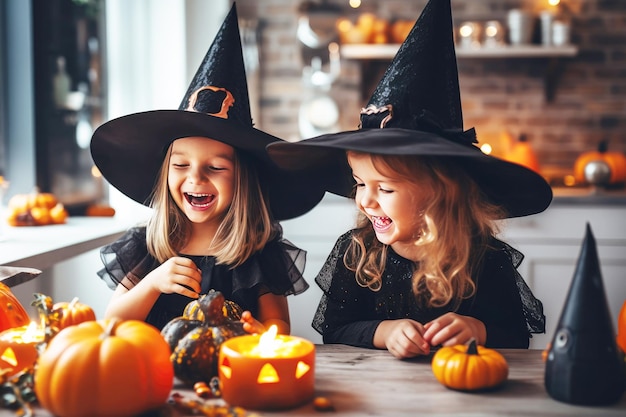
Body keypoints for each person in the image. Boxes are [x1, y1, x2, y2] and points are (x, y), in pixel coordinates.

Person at [267, 0, 552, 358]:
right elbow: (336, 330)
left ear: (440, 193)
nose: (365, 201)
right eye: (359, 183)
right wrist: (383, 332)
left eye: (384, 188)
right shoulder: (358, 252)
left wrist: (476, 329)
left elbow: (514, 337)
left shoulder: (483, 257)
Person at [90, 5, 325, 334]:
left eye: (215, 167)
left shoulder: (256, 251)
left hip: (232, 377)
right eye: (181, 164)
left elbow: (278, 327)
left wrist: (262, 332)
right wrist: (153, 283)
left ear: (242, 179)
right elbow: (111, 325)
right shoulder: (149, 245)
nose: (195, 178)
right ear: (165, 171)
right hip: (156, 378)